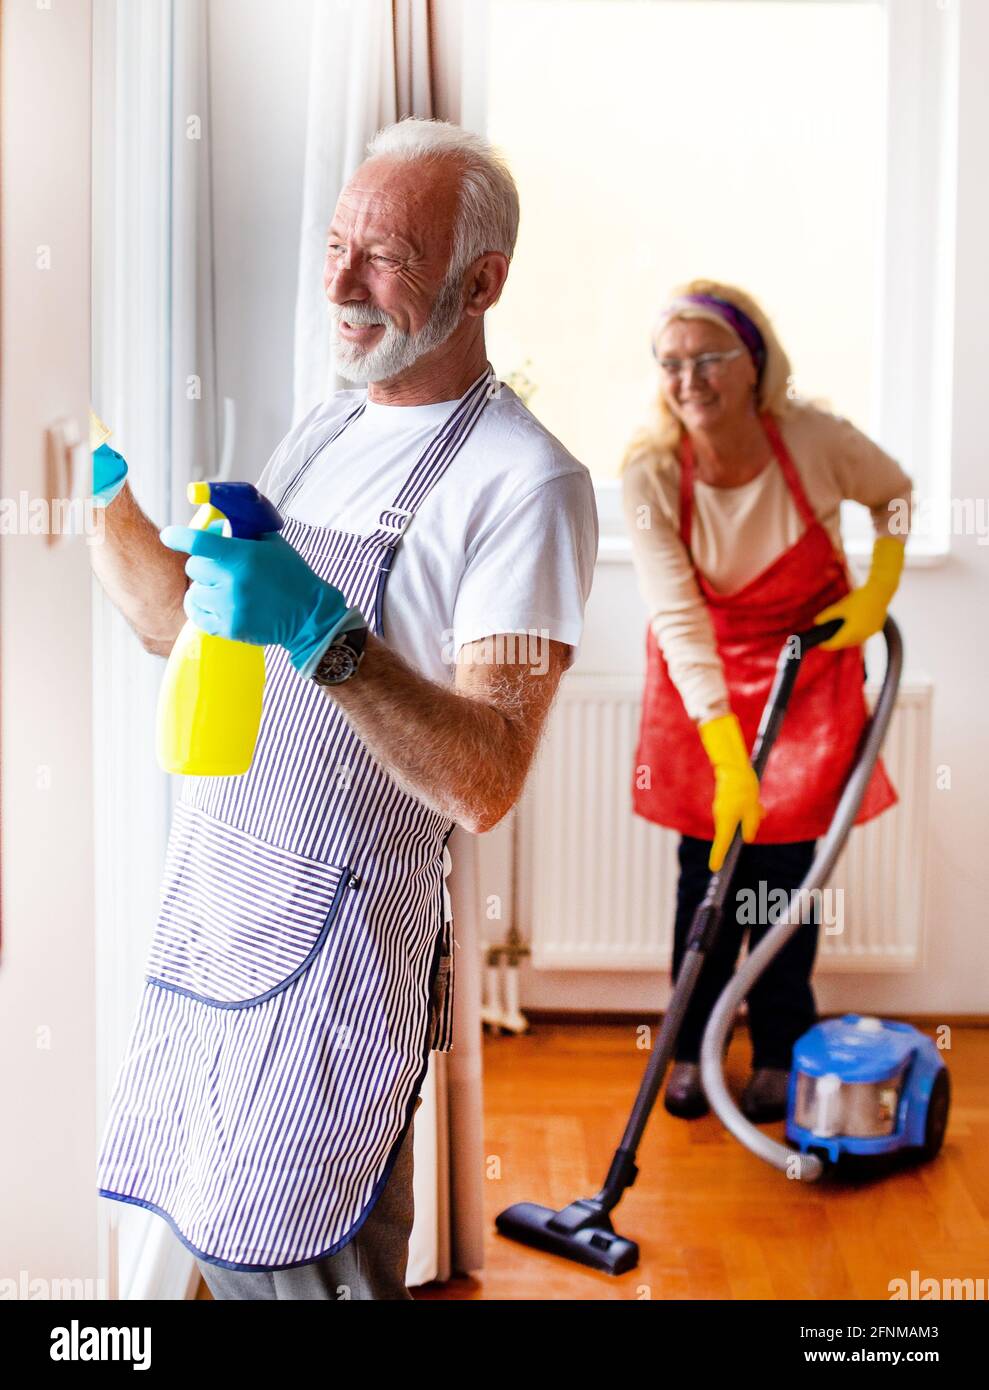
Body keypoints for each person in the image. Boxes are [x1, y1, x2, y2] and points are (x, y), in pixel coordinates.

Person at [91, 118, 598, 1299]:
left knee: (317, 1275)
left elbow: (486, 778)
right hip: (221, 915)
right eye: (333, 246)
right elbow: (184, 628)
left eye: (383, 257)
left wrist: (326, 634)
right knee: (218, 1242)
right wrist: (98, 491)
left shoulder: (527, 485)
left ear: (482, 282)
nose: (338, 284)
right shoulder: (328, 422)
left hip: (338, 971)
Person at [622, 280, 911, 1123]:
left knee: (789, 878)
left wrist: (877, 589)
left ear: (752, 364)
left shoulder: (813, 440)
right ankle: (689, 1046)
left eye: (708, 358)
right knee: (705, 876)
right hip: (702, 681)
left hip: (809, 671)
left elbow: (892, 491)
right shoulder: (651, 470)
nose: (690, 380)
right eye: (671, 364)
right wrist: (723, 753)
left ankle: (781, 1046)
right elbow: (677, 616)